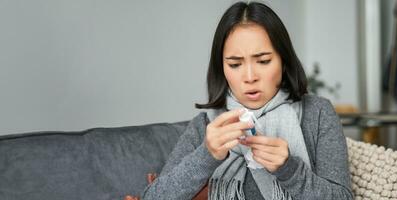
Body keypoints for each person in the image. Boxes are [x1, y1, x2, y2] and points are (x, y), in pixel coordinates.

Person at [141, 1, 353, 199]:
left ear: (284, 61)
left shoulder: (317, 113)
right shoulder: (207, 125)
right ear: (222, 69)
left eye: (263, 61)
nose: (250, 77)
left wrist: (289, 169)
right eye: (235, 64)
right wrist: (207, 155)